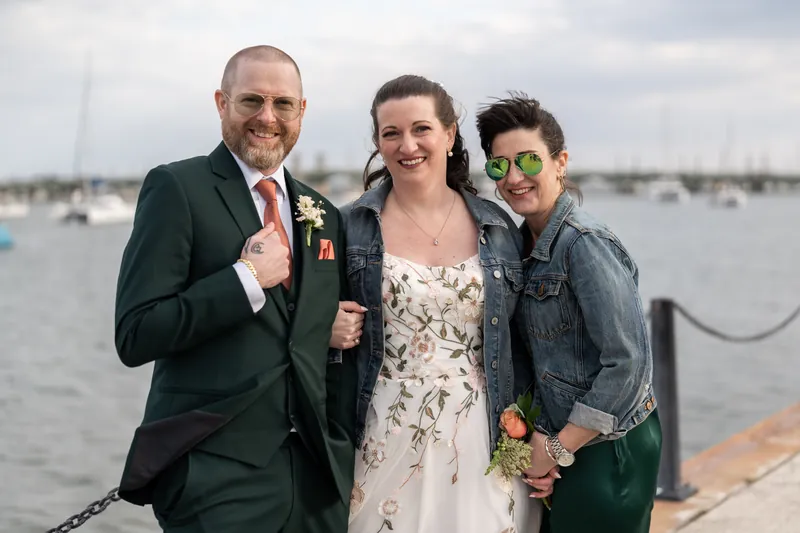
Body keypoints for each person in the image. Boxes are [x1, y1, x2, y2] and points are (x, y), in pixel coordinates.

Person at [113, 45, 358, 533]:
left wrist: (318, 329)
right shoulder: (177, 189)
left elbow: (301, 334)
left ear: (302, 112)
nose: (267, 117)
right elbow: (136, 333)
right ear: (222, 103)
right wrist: (244, 279)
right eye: (252, 100)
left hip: (315, 478)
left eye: (283, 104)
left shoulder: (323, 212)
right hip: (213, 475)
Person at [330, 75, 551, 533]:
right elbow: (308, 318)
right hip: (382, 429)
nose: (407, 144)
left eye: (421, 129)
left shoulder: (498, 228)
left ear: (449, 135)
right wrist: (323, 325)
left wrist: (543, 438)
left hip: (482, 432)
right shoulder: (349, 226)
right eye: (391, 133)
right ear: (378, 142)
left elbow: (526, 340)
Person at [475, 93, 663, 532]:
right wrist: (540, 443)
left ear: (560, 162)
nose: (515, 177)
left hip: (609, 446)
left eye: (529, 161)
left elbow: (628, 363)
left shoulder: (583, 243)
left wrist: (558, 448)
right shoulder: (521, 248)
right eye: (499, 166)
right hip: (567, 444)